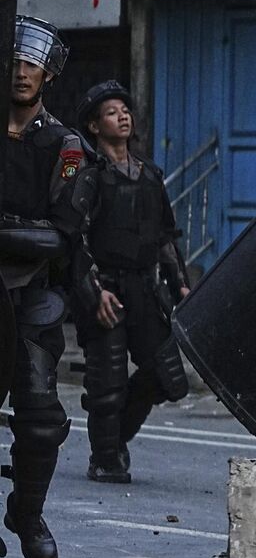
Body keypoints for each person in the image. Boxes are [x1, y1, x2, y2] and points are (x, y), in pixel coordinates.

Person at [67, 81, 192, 483]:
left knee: (167, 376)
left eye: (125, 110)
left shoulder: (150, 175)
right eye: (111, 112)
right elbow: (75, 237)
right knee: (107, 383)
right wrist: (93, 292)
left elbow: (165, 239)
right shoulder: (89, 176)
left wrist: (181, 286)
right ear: (94, 126)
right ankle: (106, 459)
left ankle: (115, 436)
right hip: (104, 288)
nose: (122, 117)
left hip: (144, 289)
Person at [0, 17, 88, 558]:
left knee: (40, 418)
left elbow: (62, 232)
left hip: (30, 290)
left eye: (31, 63)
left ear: (48, 74)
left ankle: (27, 512)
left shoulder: (66, 146)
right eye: (13, 60)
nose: (21, 71)